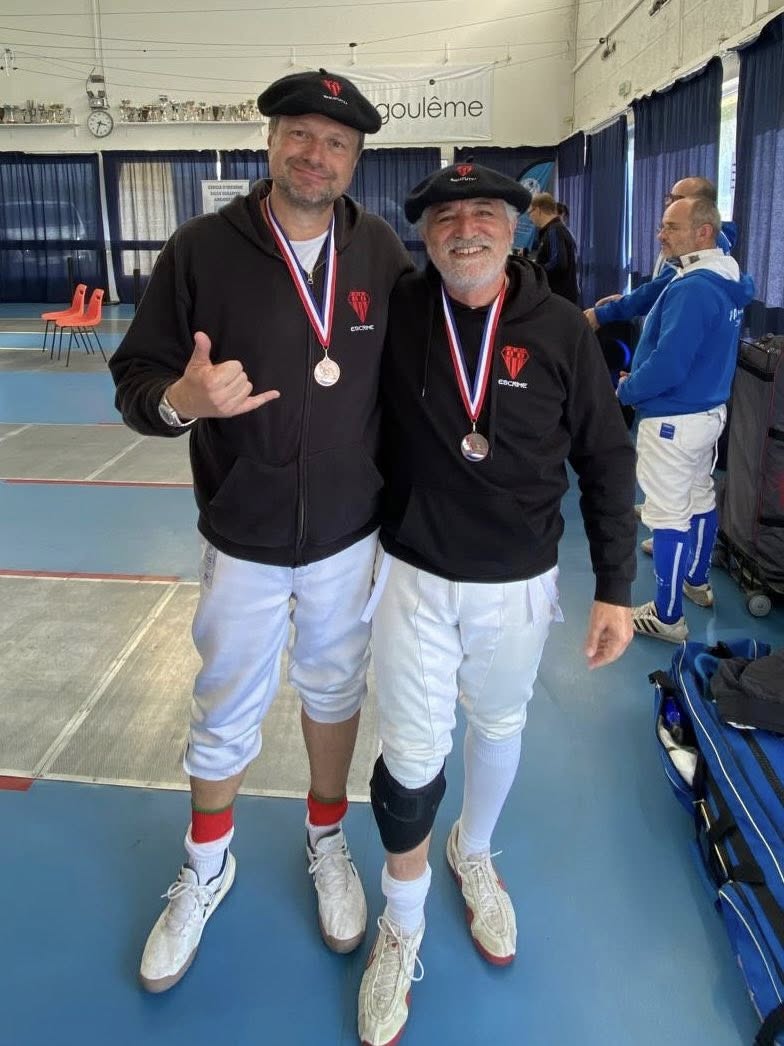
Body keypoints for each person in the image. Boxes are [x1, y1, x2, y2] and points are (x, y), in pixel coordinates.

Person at [109, 68, 412, 993]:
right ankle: (207, 865)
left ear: (356, 160)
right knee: (225, 701)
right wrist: (181, 400)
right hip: (242, 532)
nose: (316, 154)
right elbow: (136, 380)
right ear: (272, 141)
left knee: (335, 689)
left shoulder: (380, 253)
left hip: (348, 534)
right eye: (300, 135)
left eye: (337, 142)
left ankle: (326, 838)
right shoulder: (202, 249)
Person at [356, 163, 636, 1046]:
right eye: (445, 217)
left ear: (514, 228)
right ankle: (402, 921)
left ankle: (472, 852)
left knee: (500, 725)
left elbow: (605, 457)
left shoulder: (559, 328)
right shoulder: (401, 311)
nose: (465, 229)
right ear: (424, 234)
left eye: (484, 212)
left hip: (518, 581)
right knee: (410, 756)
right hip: (413, 573)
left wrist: (617, 588)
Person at [616, 196, 754, 642]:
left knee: (667, 517)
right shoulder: (727, 275)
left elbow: (669, 364)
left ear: (703, 232)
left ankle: (667, 616)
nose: (661, 234)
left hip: (672, 419)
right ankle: (697, 581)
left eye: (671, 226)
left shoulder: (693, 287)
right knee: (698, 498)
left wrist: (628, 389)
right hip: (707, 413)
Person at [527, 191, 580, 303]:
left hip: (559, 298)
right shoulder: (554, 230)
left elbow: (558, 264)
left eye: (530, 213)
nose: (530, 218)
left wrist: (534, 270)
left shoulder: (554, 230)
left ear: (538, 210)